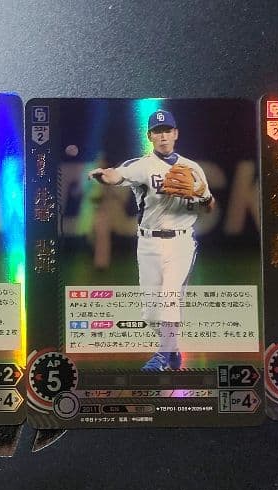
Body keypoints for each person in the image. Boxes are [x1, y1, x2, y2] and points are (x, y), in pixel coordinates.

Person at [89, 110, 215, 371]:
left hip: (181, 243)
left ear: (176, 133)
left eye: (167, 130)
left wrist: (203, 196)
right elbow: (115, 175)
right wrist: (103, 175)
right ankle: (172, 348)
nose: (163, 136)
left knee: (170, 297)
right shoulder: (142, 165)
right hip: (148, 244)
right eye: (158, 131)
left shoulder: (193, 168)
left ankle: (161, 355)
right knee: (151, 313)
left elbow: (209, 206)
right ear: (149, 136)